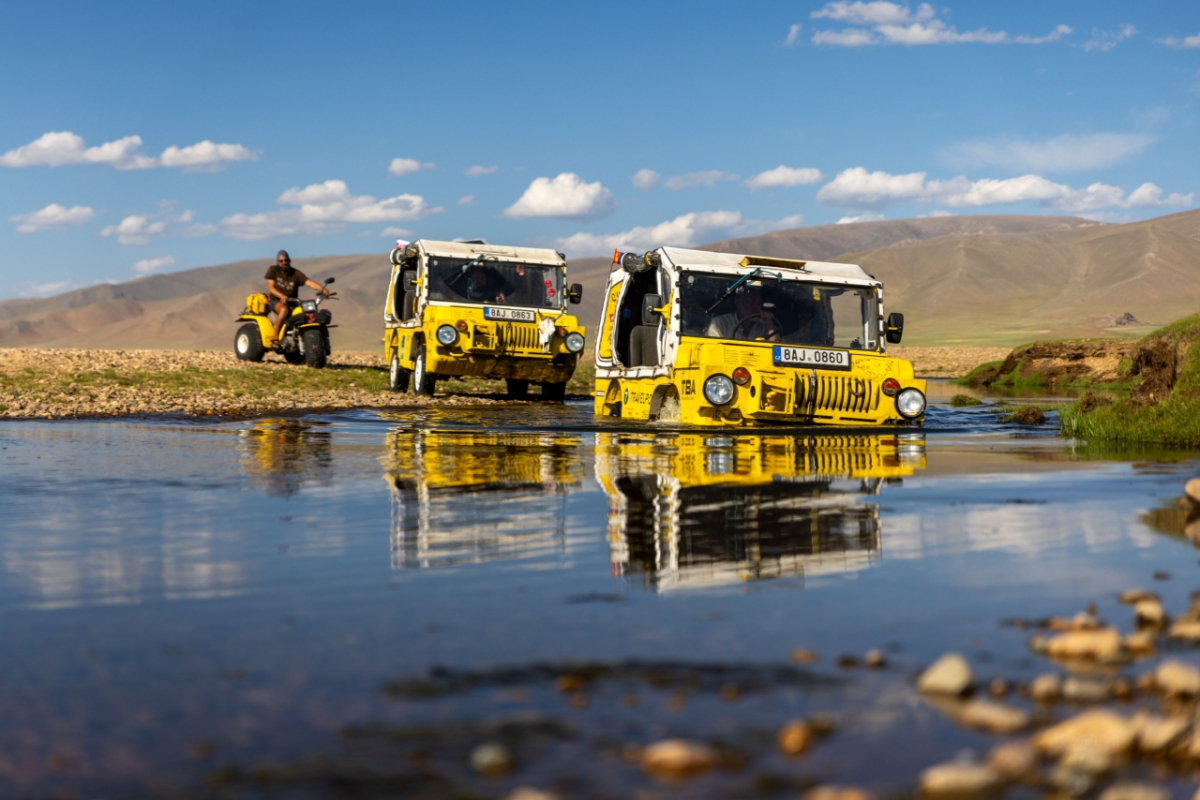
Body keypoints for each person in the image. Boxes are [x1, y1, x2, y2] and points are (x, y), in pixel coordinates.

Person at [265, 250, 330, 349]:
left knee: (308, 312)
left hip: (293, 302)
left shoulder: (296, 273)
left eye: (286, 260)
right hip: (277, 301)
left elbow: (310, 283)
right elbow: (271, 288)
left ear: (289, 260)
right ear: (278, 262)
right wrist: (281, 296)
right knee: (284, 310)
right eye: (281, 261)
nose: (284, 262)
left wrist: (324, 290)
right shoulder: (273, 270)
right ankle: (275, 338)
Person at [706, 284, 780, 341]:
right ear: (738, 302)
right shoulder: (720, 323)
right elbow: (712, 349)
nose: (756, 306)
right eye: (751, 301)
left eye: (759, 302)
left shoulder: (765, 327)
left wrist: (769, 325)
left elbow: (776, 352)